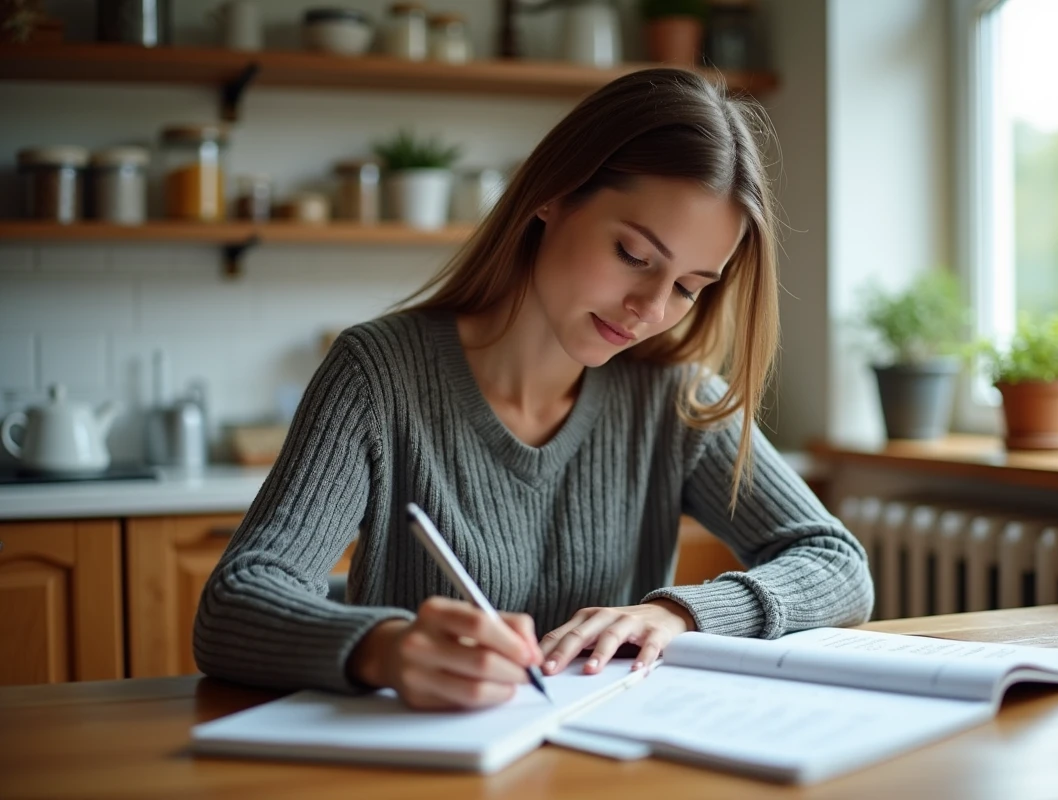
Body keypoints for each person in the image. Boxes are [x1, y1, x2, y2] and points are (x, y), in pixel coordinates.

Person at [194, 67, 873, 711]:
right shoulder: (378, 374)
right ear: (553, 193)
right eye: (634, 255)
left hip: (611, 765)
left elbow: (838, 564)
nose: (650, 308)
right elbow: (236, 603)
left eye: (689, 288)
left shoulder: (675, 397)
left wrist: (680, 613)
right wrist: (387, 649)